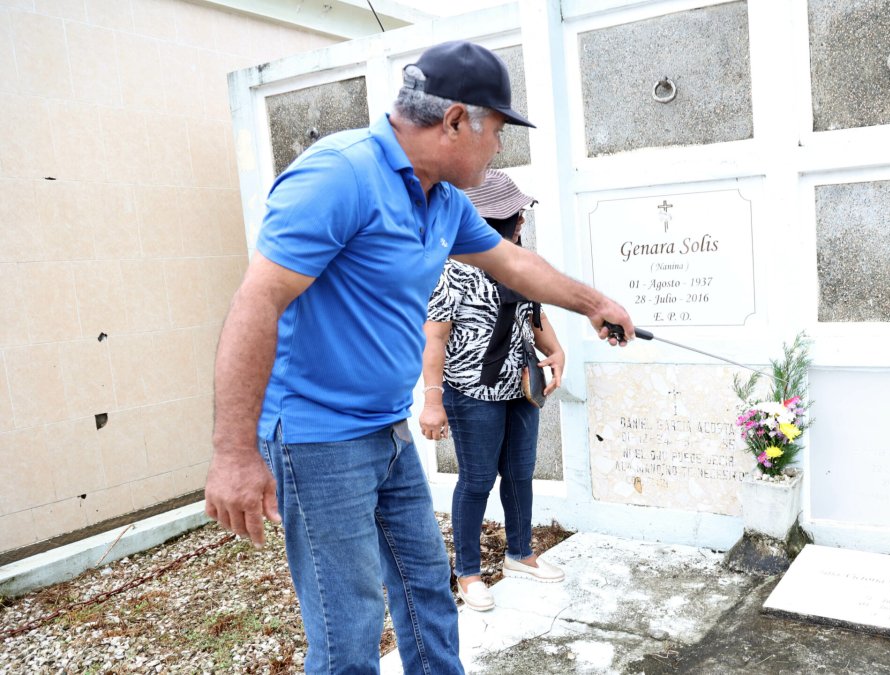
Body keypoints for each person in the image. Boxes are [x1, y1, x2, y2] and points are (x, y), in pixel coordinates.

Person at [203, 40, 634, 674]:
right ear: (456, 119)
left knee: (427, 590)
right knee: (348, 627)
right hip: (318, 440)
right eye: (497, 132)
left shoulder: (442, 199)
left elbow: (513, 262)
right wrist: (234, 452)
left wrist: (593, 303)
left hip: (387, 432)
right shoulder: (339, 175)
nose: (499, 151)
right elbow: (255, 305)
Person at [420, 170, 566, 612]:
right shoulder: (449, 271)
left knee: (521, 471)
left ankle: (520, 553)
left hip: (520, 387)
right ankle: (468, 574)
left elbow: (533, 316)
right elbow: (435, 339)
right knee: (478, 479)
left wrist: (556, 351)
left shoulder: (519, 262)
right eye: (515, 216)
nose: (520, 221)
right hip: (470, 392)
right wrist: (432, 400)